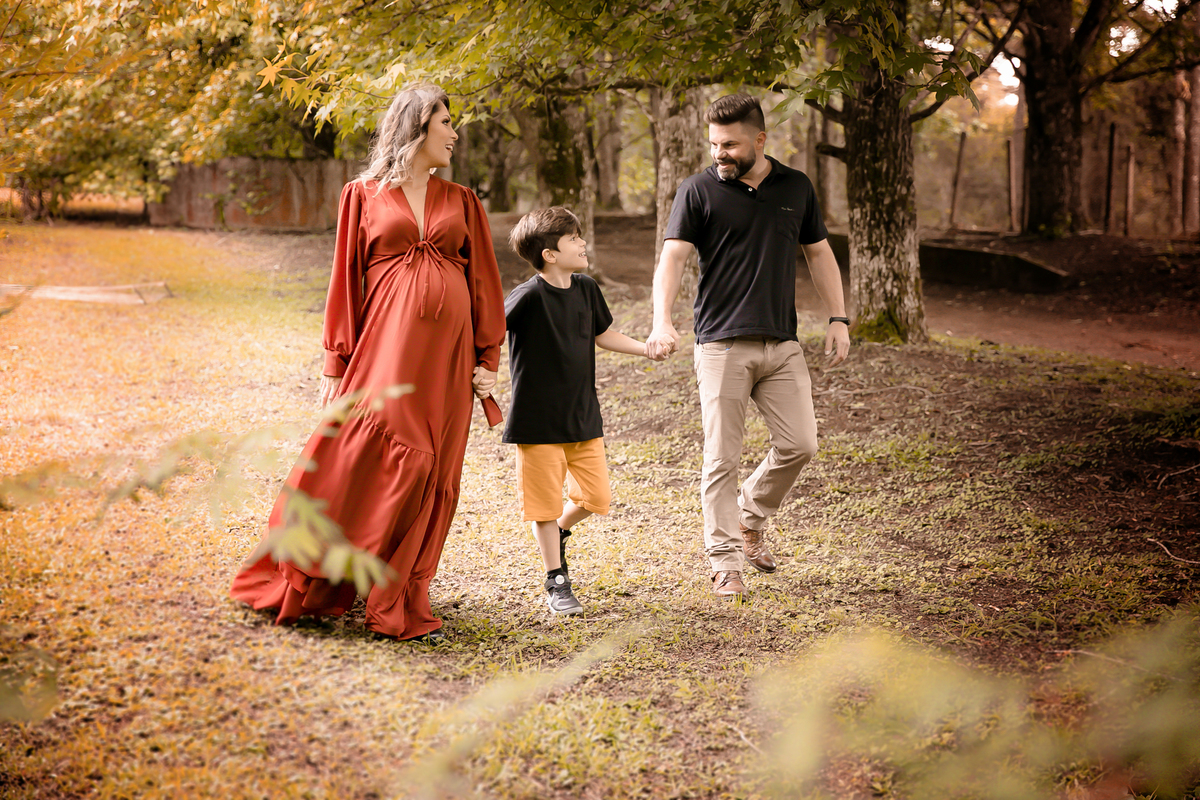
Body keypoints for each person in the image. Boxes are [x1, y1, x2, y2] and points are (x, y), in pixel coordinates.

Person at [230, 84, 506, 640]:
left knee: (432, 470)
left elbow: (484, 281)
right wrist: (336, 362)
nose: (454, 134)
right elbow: (344, 282)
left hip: (449, 363)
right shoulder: (362, 195)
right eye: (445, 122)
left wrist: (489, 357)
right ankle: (310, 572)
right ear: (417, 127)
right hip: (385, 354)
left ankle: (398, 594)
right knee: (358, 457)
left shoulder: (463, 201)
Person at [646, 94, 850, 599]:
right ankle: (725, 563)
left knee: (801, 444)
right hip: (721, 344)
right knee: (722, 459)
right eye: (715, 144)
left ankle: (750, 517)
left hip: (782, 343)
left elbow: (819, 254)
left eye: (731, 144)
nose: (720, 153)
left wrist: (838, 317)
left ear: (759, 140)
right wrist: (661, 320)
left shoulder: (796, 186)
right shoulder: (697, 190)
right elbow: (672, 260)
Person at [504, 207, 654, 615]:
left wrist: (646, 349)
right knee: (544, 507)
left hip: (583, 417)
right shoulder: (528, 296)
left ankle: (559, 532)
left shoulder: (587, 288)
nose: (582, 242)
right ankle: (556, 580)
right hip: (537, 423)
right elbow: (487, 331)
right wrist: (475, 370)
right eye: (573, 238)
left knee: (596, 498)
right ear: (550, 254)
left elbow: (604, 334)